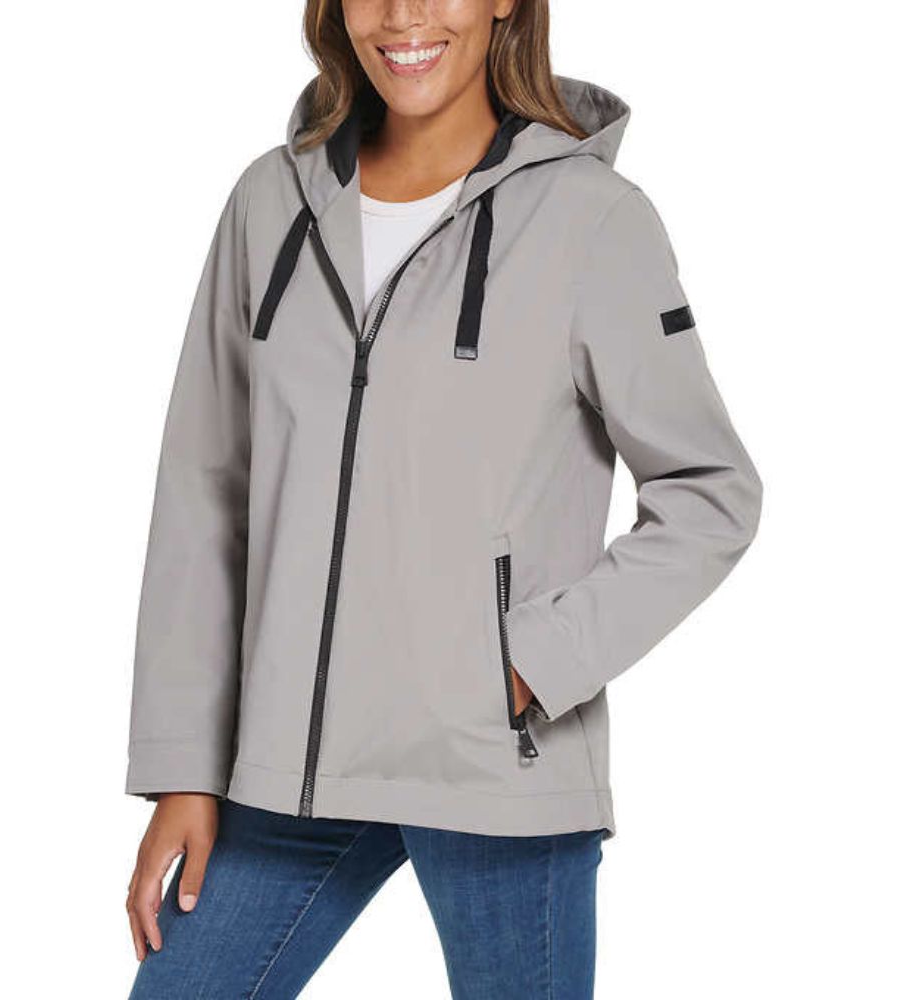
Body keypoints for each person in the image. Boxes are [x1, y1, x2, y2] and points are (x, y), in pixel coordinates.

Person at [124, 1, 763, 996]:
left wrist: (538, 658)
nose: (403, 15)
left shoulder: (592, 219)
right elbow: (207, 490)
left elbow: (710, 491)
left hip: (494, 773)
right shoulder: (270, 203)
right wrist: (184, 767)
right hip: (288, 770)